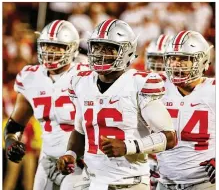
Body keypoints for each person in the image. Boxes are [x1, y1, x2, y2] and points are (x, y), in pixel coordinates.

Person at [57, 19, 177, 190]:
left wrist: (128, 146)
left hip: (129, 182)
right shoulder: (81, 82)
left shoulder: (139, 83)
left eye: (108, 48)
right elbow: (80, 130)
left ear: (126, 52)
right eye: (97, 47)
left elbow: (170, 137)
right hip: (91, 180)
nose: (100, 53)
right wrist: (71, 154)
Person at [4, 20, 89, 190]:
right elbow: (15, 125)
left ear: (72, 48)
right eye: (47, 46)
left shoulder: (87, 75)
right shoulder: (31, 77)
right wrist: (11, 142)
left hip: (81, 161)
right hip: (47, 159)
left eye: (57, 47)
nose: (50, 52)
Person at [156, 30, 215, 189]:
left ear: (202, 61)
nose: (176, 64)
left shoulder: (213, 91)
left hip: (203, 184)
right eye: (172, 58)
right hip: (165, 183)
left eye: (184, 59)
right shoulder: (157, 86)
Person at [145, 34, 172, 190]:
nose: (157, 64)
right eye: (153, 58)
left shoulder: (182, 91)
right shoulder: (139, 84)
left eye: (162, 59)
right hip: (146, 157)